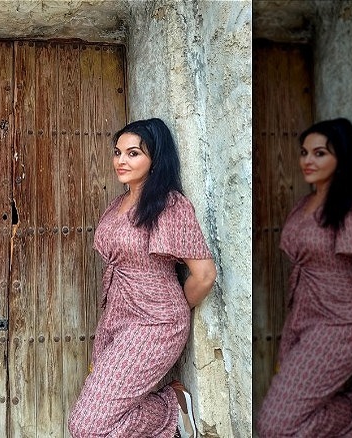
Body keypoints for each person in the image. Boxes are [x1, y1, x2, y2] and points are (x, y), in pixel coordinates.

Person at [68, 118, 217, 437]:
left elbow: (204, 276)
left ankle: (170, 407)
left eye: (133, 153)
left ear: (155, 158)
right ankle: (169, 415)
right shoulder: (116, 205)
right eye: (118, 152)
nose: (121, 160)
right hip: (116, 321)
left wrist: (169, 309)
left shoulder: (170, 205)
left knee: (86, 426)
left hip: (155, 325)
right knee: (99, 421)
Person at [257, 118, 352, 437]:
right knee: (284, 419)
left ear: (342, 157)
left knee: (274, 426)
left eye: (320, 153)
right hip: (302, 319)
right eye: (304, 152)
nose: (308, 160)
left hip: (342, 324)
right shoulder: (302, 206)